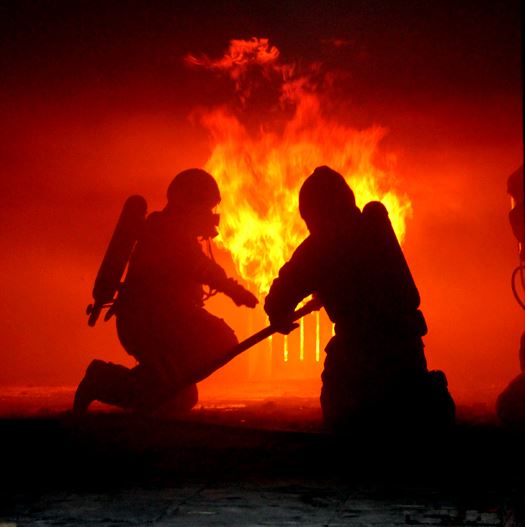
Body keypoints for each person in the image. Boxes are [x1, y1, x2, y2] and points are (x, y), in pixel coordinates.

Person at [264, 166, 455, 431]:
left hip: (361, 362)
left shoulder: (319, 246)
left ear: (314, 213)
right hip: (408, 353)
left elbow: (279, 300)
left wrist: (279, 316)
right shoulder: (376, 228)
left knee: (345, 413)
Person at [74, 168, 258, 415]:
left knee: (180, 397)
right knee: (220, 341)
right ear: (187, 204)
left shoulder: (166, 229)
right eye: (205, 208)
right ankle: (102, 380)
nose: (210, 216)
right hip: (152, 321)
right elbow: (199, 267)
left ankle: (130, 380)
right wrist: (235, 291)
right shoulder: (167, 232)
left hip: (159, 319)